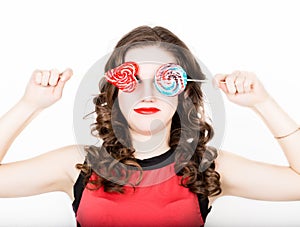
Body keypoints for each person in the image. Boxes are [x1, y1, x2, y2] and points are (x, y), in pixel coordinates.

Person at [0, 25, 299, 227]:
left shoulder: (205, 166)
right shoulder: (80, 163)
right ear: (114, 93)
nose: (147, 94)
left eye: (163, 81)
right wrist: (29, 105)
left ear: (184, 90)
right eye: (134, 81)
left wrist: (263, 102)